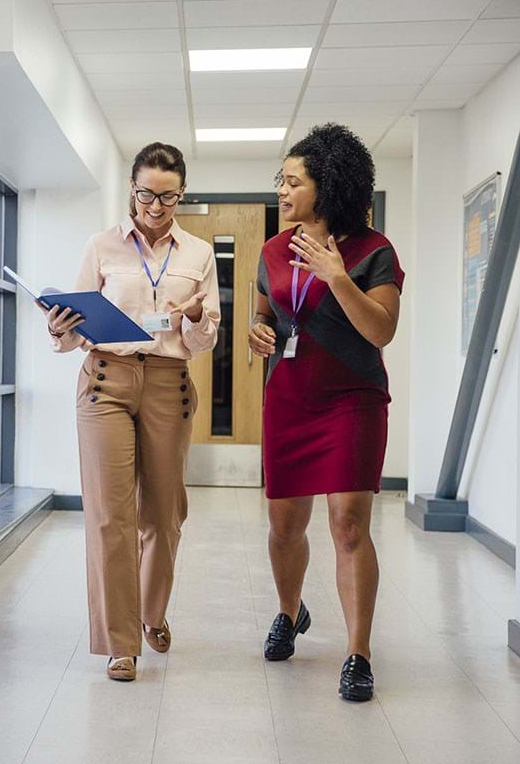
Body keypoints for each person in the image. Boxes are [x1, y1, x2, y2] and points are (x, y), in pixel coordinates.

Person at [45, 142, 220, 682]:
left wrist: (194, 315)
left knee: (164, 516)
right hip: (106, 382)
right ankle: (121, 642)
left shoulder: (197, 254)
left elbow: (205, 337)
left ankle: (152, 611)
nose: (156, 205)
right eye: (146, 193)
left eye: (168, 196)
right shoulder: (102, 246)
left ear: (181, 194)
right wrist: (60, 328)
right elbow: (73, 324)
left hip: (169, 383)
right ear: (132, 190)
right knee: (109, 516)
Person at [248, 123, 404, 703]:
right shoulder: (272, 250)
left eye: (293, 182)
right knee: (284, 526)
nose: (282, 192)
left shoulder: (371, 251)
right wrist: (256, 332)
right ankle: (290, 613)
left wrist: (336, 275)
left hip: (351, 400)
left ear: (327, 185)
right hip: (288, 398)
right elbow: (263, 316)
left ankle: (358, 653)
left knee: (347, 525)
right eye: (280, 182)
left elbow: (381, 330)